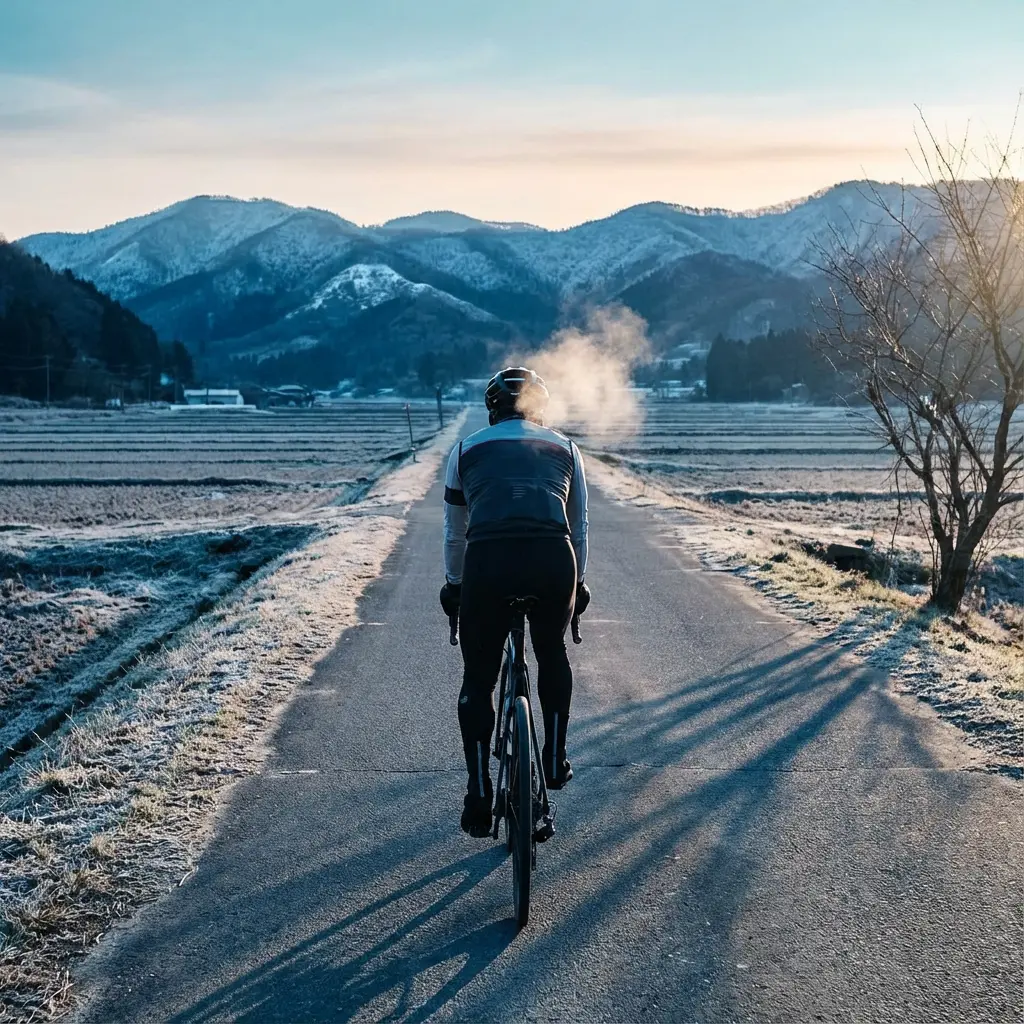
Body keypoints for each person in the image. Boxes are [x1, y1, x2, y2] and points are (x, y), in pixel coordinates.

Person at [440, 367, 591, 837]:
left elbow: (454, 534)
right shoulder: (565, 448)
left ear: (491, 409)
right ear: (540, 408)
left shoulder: (464, 450)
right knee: (552, 652)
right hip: (552, 560)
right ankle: (553, 758)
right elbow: (579, 526)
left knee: (479, 676)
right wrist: (577, 585)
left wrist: (454, 586)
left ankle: (479, 791)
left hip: (489, 562)